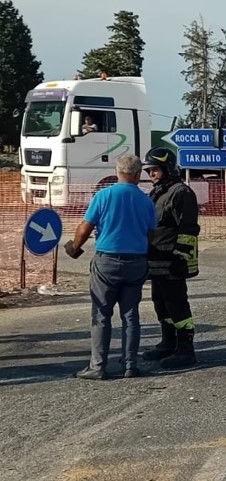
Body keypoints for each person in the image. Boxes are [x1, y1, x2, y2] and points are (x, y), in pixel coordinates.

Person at [65, 154, 156, 380]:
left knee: (101, 314)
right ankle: (129, 365)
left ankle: (98, 367)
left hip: (107, 261)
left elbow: (85, 228)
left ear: (117, 173)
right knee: (131, 315)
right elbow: (152, 233)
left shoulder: (103, 196)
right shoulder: (146, 201)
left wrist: (74, 248)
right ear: (137, 175)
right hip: (136, 262)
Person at [140, 147, 202, 369]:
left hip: (172, 262)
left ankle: (186, 350)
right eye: (149, 171)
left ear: (167, 168)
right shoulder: (157, 192)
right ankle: (168, 342)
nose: (151, 174)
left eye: (155, 170)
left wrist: (180, 258)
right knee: (161, 304)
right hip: (156, 261)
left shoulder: (181, 193)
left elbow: (188, 229)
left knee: (177, 305)